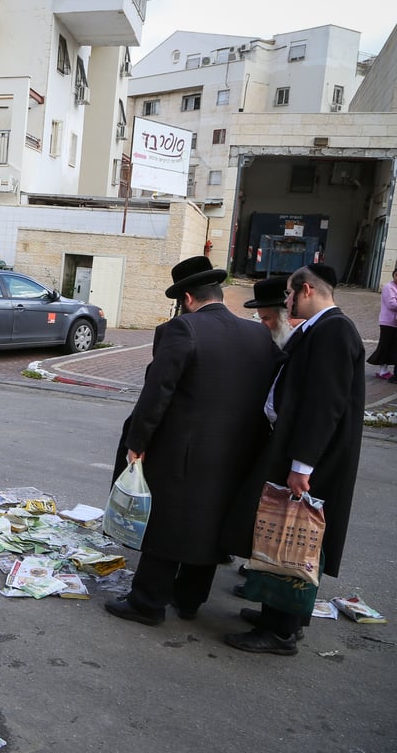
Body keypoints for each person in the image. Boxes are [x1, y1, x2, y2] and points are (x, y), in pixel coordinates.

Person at [104, 256, 280, 627]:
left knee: (166, 524)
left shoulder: (183, 330)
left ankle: (148, 602)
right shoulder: (257, 334)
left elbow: (158, 392)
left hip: (181, 449)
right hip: (238, 452)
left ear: (186, 297)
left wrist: (138, 441)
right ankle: (189, 600)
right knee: (209, 525)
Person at [221, 264, 365, 655]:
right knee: (286, 534)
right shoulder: (322, 328)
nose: (285, 302)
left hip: (309, 459)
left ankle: (280, 631)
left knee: (291, 538)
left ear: (305, 289)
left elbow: (325, 403)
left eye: (288, 294)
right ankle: (283, 618)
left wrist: (302, 465)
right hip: (300, 451)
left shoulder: (334, 330)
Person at [244, 275, 303, 348]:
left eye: (266, 319)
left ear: (286, 315)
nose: (262, 324)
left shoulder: (307, 340)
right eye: (261, 319)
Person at [365, 266, 397, 380]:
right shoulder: (389, 287)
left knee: (391, 346)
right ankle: (382, 370)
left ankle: (385, 370)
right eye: (396, 275)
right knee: (385, 345)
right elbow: (391, 304)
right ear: (393, 275)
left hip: (395, 323)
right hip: (388, 322)